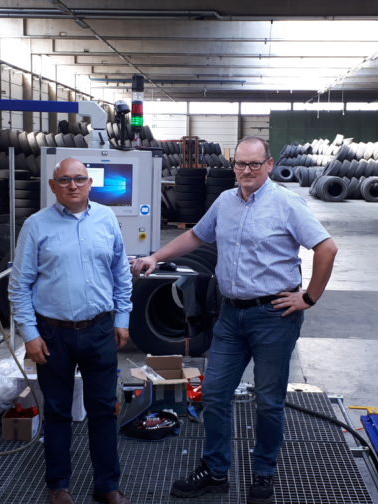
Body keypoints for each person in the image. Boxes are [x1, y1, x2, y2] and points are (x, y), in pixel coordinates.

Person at [131, 136, 337, 504]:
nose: (246, 170)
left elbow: (327, 248)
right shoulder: (225, 201)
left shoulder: (287, 204)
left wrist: (309, 297)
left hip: (274, 316)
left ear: (269, 165)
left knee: (268, 401)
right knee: (215, 394)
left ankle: (263, 472)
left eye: (254, 164)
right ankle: (215, 472)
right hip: (229, 315)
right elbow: (195, 236)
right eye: (240, 164)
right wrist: (155, 257)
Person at [9, 157, 133, 504]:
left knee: (103, 409)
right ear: (53, 186)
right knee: (58, 410)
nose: (73, 185)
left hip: (100, 330)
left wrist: (122, 318)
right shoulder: (36, 225)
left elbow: (121, 273)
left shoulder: (107, 219)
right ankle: (58, 485)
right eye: (65, 180)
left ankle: (107, 485)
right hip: (53, 335)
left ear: (90, 183)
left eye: (79, 179)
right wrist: (29, 333)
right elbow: (19, 285)